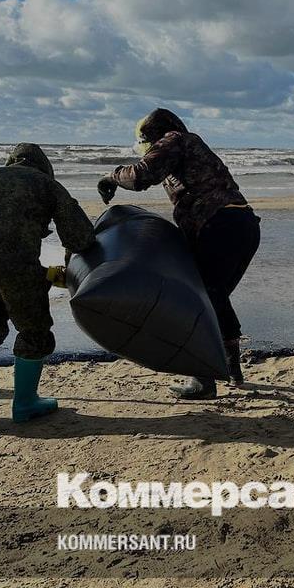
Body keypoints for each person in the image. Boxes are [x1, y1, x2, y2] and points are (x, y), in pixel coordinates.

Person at [98, 108, 260, 399]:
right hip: (242, 224)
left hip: (218, 225)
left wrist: (112, 177)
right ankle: (231, 369)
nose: (143, 148)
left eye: (143, 142)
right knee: (214, 296)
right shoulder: (189, 146)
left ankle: (203, 380)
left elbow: (141, 176)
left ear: (153, 134)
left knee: (200, 299)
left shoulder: (175, 139)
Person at [0, 143, 95, 422]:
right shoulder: (46, 184)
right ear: (45, 166)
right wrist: (74, 270)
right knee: (34, 329)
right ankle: (25, 403)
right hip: (9, 254)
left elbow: (29, 271)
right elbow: (80, 237)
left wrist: (50, 275)